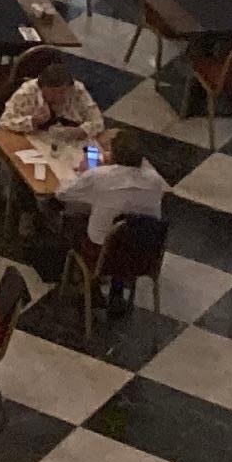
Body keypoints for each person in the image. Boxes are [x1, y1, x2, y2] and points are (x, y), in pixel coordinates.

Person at [61, 127, 167, 320]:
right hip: (143, 255)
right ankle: (116, 292)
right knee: (125, 233)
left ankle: (87, 286)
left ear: (114, 154)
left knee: (74, 221)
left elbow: (63, 193)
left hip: (102, 256)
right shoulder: (156, 181)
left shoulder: (99, 176)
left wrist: (83, 174)